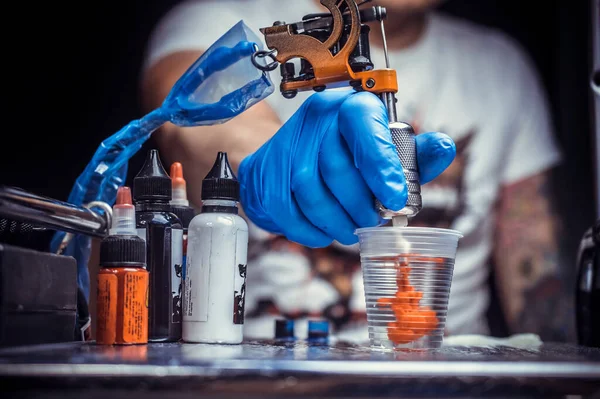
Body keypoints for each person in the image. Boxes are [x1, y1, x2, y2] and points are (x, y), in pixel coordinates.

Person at [140, 0, 570, 341]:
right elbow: (190, 126)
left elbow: (536, 275)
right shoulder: (214, 21)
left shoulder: (500, 68)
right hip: (262, 373)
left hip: (442, 373)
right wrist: (265, 159)